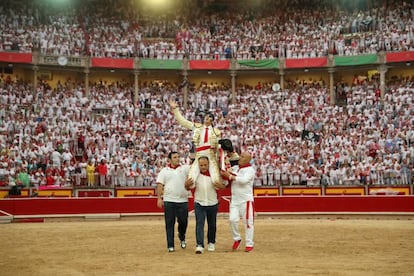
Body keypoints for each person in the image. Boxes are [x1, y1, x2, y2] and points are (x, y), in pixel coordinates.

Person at [169, 98, 222, 184]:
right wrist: (175, 110)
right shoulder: (198, 127)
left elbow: (219, 146)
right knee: (191, 179)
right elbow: (183, 122)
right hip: (200, 153)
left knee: (216, 181)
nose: (205, 119)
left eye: (208, 117)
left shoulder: (216, 131)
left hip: (211, 154)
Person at [185, 156, 225, 254]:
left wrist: (221, 186)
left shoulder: (215, 175)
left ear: (208, 164)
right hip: (199, 203)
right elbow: (188, 187)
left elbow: (223, 187)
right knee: (200, 224)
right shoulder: (195, 175)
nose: (203, 167)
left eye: (205, 165)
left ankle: (211, 242)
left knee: (212, 225)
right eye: (201, 165)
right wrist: (186, 184)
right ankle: (199, 245)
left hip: (212, 203)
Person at [221, 151, 256, 252]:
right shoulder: (236, 168)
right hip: (235, 200)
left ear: (248, 160)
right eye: (240, 156)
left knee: (248, 223)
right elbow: (228, 178)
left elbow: (243, 180)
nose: (240, 158)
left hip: (246, 200)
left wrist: (230, 176)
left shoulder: (250, 170)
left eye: (243, 157)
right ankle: (237, 238)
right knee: (232, 220)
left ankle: (249, 243)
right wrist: (225, 174)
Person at [156, 151, 191, 253]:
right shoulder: (164, 171)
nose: (177, 159)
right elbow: (159, 185)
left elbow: (194, 170)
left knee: (183, 222)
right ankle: (170, 245)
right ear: (170, 160)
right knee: (169, 223)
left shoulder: (185, 168)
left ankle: (182, 236)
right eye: (175, 157)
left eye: (178, 157)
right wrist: (159, 198)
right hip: (169, 200)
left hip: (183, 200)